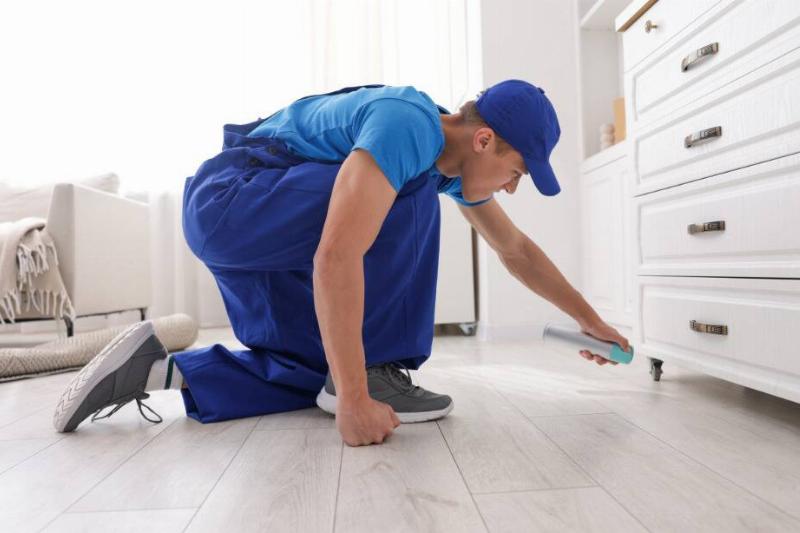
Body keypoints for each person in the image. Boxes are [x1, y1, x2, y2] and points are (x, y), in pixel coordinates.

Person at [52, 80, 630, 447]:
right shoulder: (411, 125)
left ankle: (154, 371)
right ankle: (375, 371)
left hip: (258, 225)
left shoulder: (440, 157)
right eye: (517, 172)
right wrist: (356, 402)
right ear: (484, 142)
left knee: (322, 367)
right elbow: (337, 254)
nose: (512, 188)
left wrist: (590, 320)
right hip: (233, 201)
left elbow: (516, 250)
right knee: (352, 372)